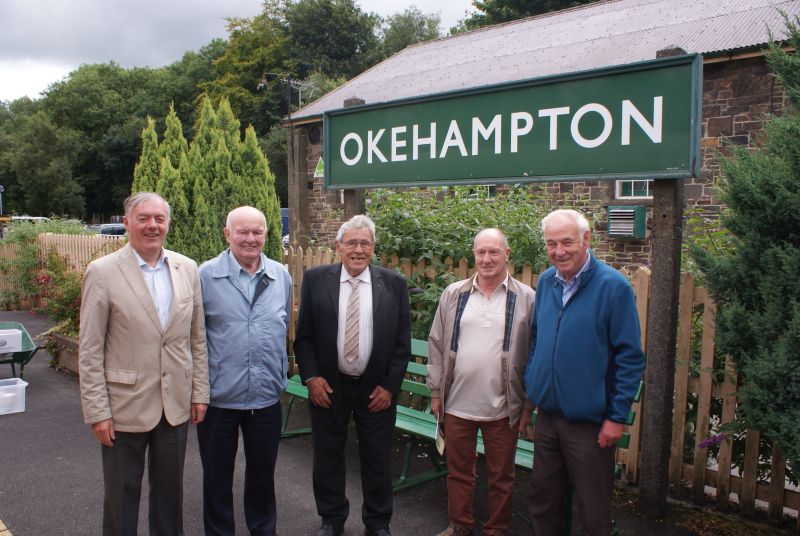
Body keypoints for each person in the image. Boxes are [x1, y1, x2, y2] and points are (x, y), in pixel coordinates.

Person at [79, 191, 209, 536]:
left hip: (174, 404)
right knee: (122, 497)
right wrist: (97, 411)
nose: (152, 225)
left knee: (170, 497)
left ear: (168, 224)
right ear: (126, 223)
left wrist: (200, 393)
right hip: (123, 406)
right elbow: (90, 349)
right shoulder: (103, 272)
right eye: (144, 218)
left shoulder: (187, 269)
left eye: (159, 219)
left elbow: (196, 339)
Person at [524, 209, 645, 536]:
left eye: (566, 242)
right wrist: (534, 380)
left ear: (586, 240)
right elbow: (538, 337)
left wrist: (616, 416)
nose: (559, 251)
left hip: (590, 424)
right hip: (548, 416)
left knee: (593, 510)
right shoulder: (547, 281)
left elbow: (630, 358)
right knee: (544, 500)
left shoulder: (613, 287)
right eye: (551, 244)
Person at [294, 214, 411, 536]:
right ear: (338, 246)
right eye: (352, 243)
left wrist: (389, 387)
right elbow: (303, 337)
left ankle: (378, 523)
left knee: (376, 460)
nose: (358, 249)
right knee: (328, 457)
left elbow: (402, 344)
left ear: (373, 248)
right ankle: (331, 520)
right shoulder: (317, 280)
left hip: (375, 391)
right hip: (329, 387)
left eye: (365, 243)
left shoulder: (393, 284)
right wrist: (312, 378)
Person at [428, 228, 536, 536]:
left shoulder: (527, 298)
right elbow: (436, 344)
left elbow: (535, 353)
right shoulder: (454, 294)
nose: (486, 259)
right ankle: (460, 525)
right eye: (480, 252)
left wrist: (527, 403)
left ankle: (496, 530)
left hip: (504, 408)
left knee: (501, 476)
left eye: (493, 252)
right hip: (457, 404)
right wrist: (436, 393)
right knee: (459, 471)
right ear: (473, 255)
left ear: (507, 254)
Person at [197, 206, 292, 536]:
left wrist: (280, 374)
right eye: (243, 232)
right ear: (227, 234)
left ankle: (263, 530)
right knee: (217, 478)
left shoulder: (281, 275)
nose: (251, 238)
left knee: (263, 477)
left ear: (266, 234)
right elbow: (195, 338)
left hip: (265, 398)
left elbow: (285, 329)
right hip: (218, 399)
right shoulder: (205, 276)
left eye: (258, 232)